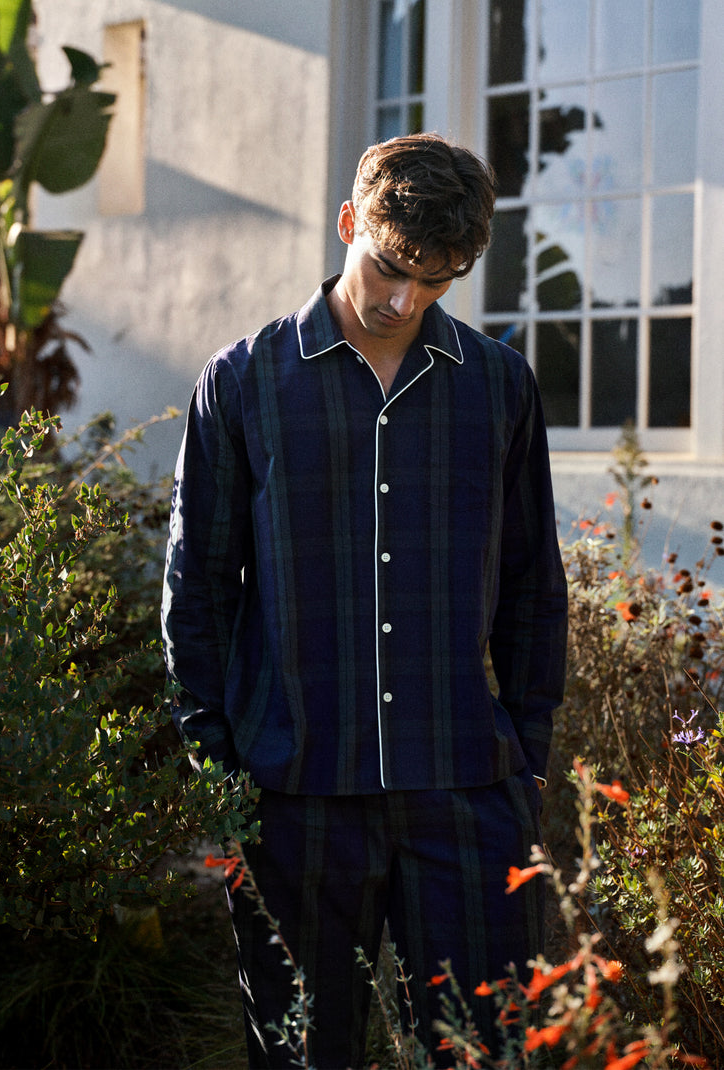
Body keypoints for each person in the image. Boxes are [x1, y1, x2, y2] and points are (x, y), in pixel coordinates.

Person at [162, 132, 568, 1068]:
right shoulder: (243, 382)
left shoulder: (500, 386)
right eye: (390, 267)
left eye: (437, 280)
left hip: (466, 787)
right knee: (307, 1055)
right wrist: (220, 772)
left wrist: (528, 758)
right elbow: (199, 592)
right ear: (349, 223)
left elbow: (532, 586)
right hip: (294, 795)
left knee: (486, 1051)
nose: (403, 300)